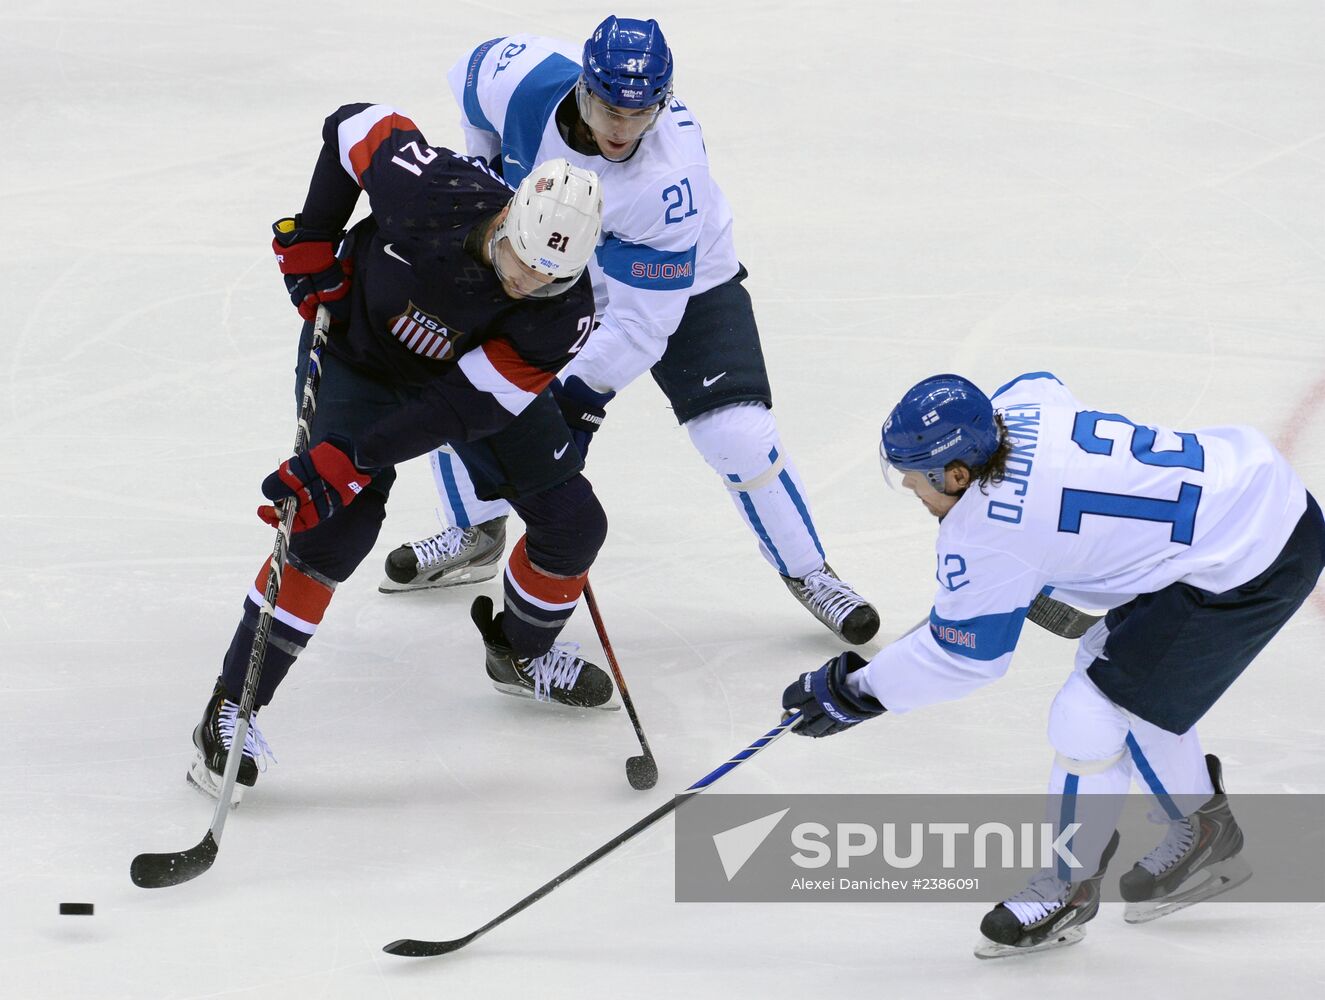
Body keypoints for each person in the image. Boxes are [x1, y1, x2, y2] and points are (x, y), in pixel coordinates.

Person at [781, 371, 1324, 957]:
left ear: (958, 474)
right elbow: (1042, 380)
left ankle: (1069, 886)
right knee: (1125, 680)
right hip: (1248, 491)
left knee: (1090, 712)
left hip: (1250, 563)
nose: (913, 489)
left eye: (917, 480)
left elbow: (964, 658)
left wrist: (856, 692)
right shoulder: (1017, 410)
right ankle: (1203, 829)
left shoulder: (990, 533)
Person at [377, 16, 880, 646]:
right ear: (584, 86)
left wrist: (576, 404)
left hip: (682, 279)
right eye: (610, 107)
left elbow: (643, 324)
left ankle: (811, 573)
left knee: (738, 435)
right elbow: (471, 92)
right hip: (550, 258)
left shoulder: (670, 181)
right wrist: (484, 173)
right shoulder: (520, 76)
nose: (622, 129)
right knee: (460, 376)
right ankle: (475, 529)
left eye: (641, 113)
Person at [188, 102, 617, 805]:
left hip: (459, 387)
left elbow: (459, 411)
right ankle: (231, 708)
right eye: (523, 262)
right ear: (507, 220)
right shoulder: (433, 191)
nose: (530, 284)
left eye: (552, 277)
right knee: (331, 531)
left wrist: (353, 459)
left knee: (573, 525)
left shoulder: (563, 311)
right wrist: (316, 237)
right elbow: (353, 122)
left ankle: (519, 653)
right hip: (362, 356)